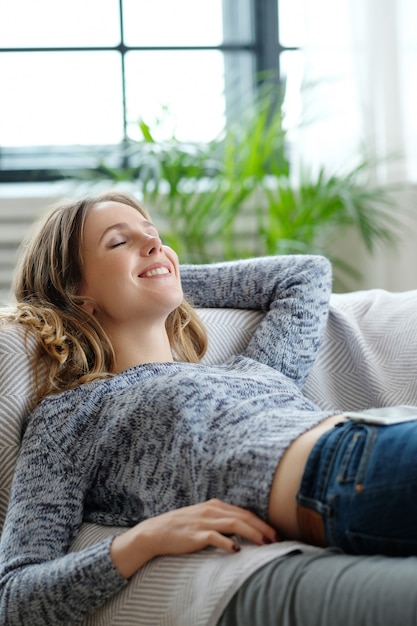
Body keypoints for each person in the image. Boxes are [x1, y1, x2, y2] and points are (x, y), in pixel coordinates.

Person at [1, 189, 417, 626]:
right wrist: (143, 540)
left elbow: (304, 274)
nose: (154, 244)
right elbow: (16, 598)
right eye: (119, 242)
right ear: (74, 292)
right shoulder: (71, 415)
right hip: (340, 471)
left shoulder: (252, 369)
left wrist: (164, 274)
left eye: (155, 235)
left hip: (374, 439)